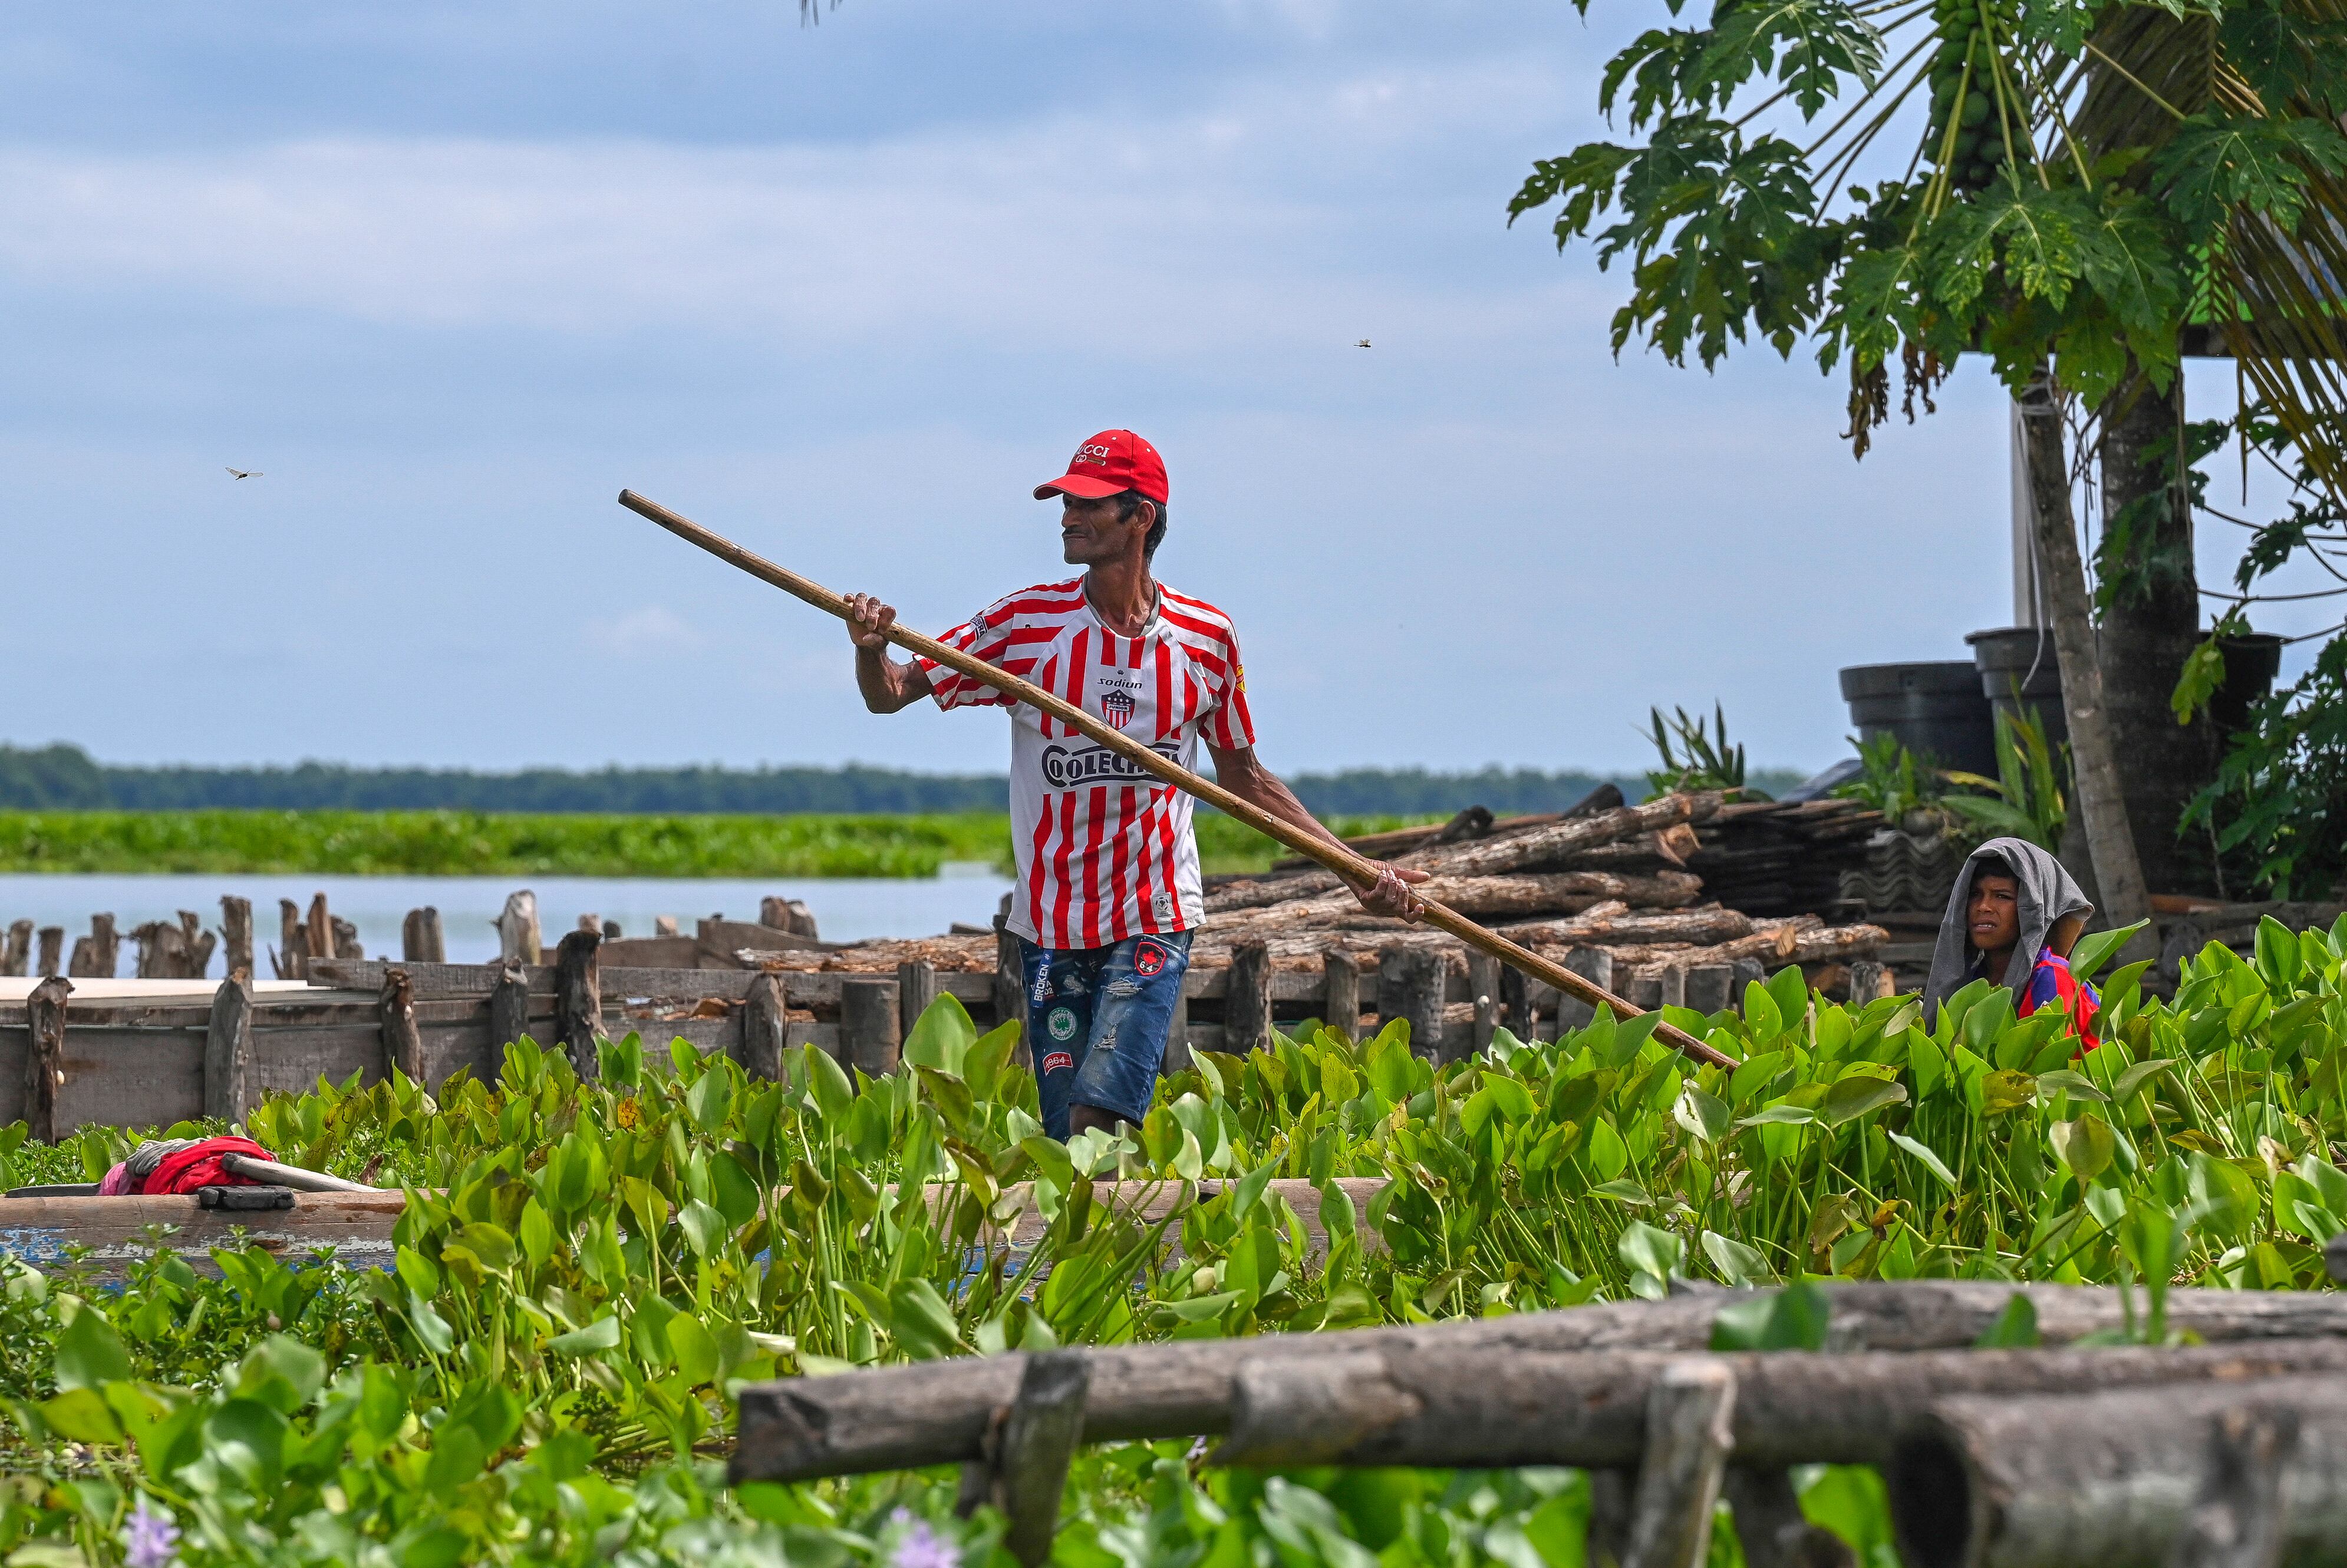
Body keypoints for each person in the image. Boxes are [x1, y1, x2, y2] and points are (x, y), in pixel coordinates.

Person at [842, 428, 1428, 1141]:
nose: (1066, 516)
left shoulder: (1206, 638)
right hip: (1052, 922)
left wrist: (1357, 871)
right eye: (1064, 501)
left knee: (1100, 1115)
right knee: (1067, 1137)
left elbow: (1243, 774)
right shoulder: (1024, 623)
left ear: (1141, 517)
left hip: (1153, 912)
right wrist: (872, 650)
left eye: (1087, 504)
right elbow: (894, 691)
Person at [1921, 836, 2101, 1047]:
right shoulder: (1973, 981)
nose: (1984, 907)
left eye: (2002, 896)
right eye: (1975, 894)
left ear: (2032, 911)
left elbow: (2043, 1067)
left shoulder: (2051, 977)